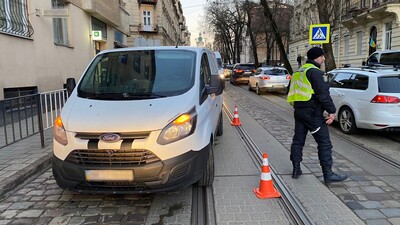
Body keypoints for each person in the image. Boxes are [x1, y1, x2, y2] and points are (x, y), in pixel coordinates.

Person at [287, 47, 348, 184]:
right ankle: (328, 174)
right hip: (313, 113)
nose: (324, 59)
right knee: (324, 143)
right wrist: (331, 111)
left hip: (299, 111)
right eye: (322, 56)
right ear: (316, 58)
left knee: (298, 141)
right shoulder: (315, 72)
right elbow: (323, 95)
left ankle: (296, 169)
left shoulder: (298, 72)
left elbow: (290, 90)